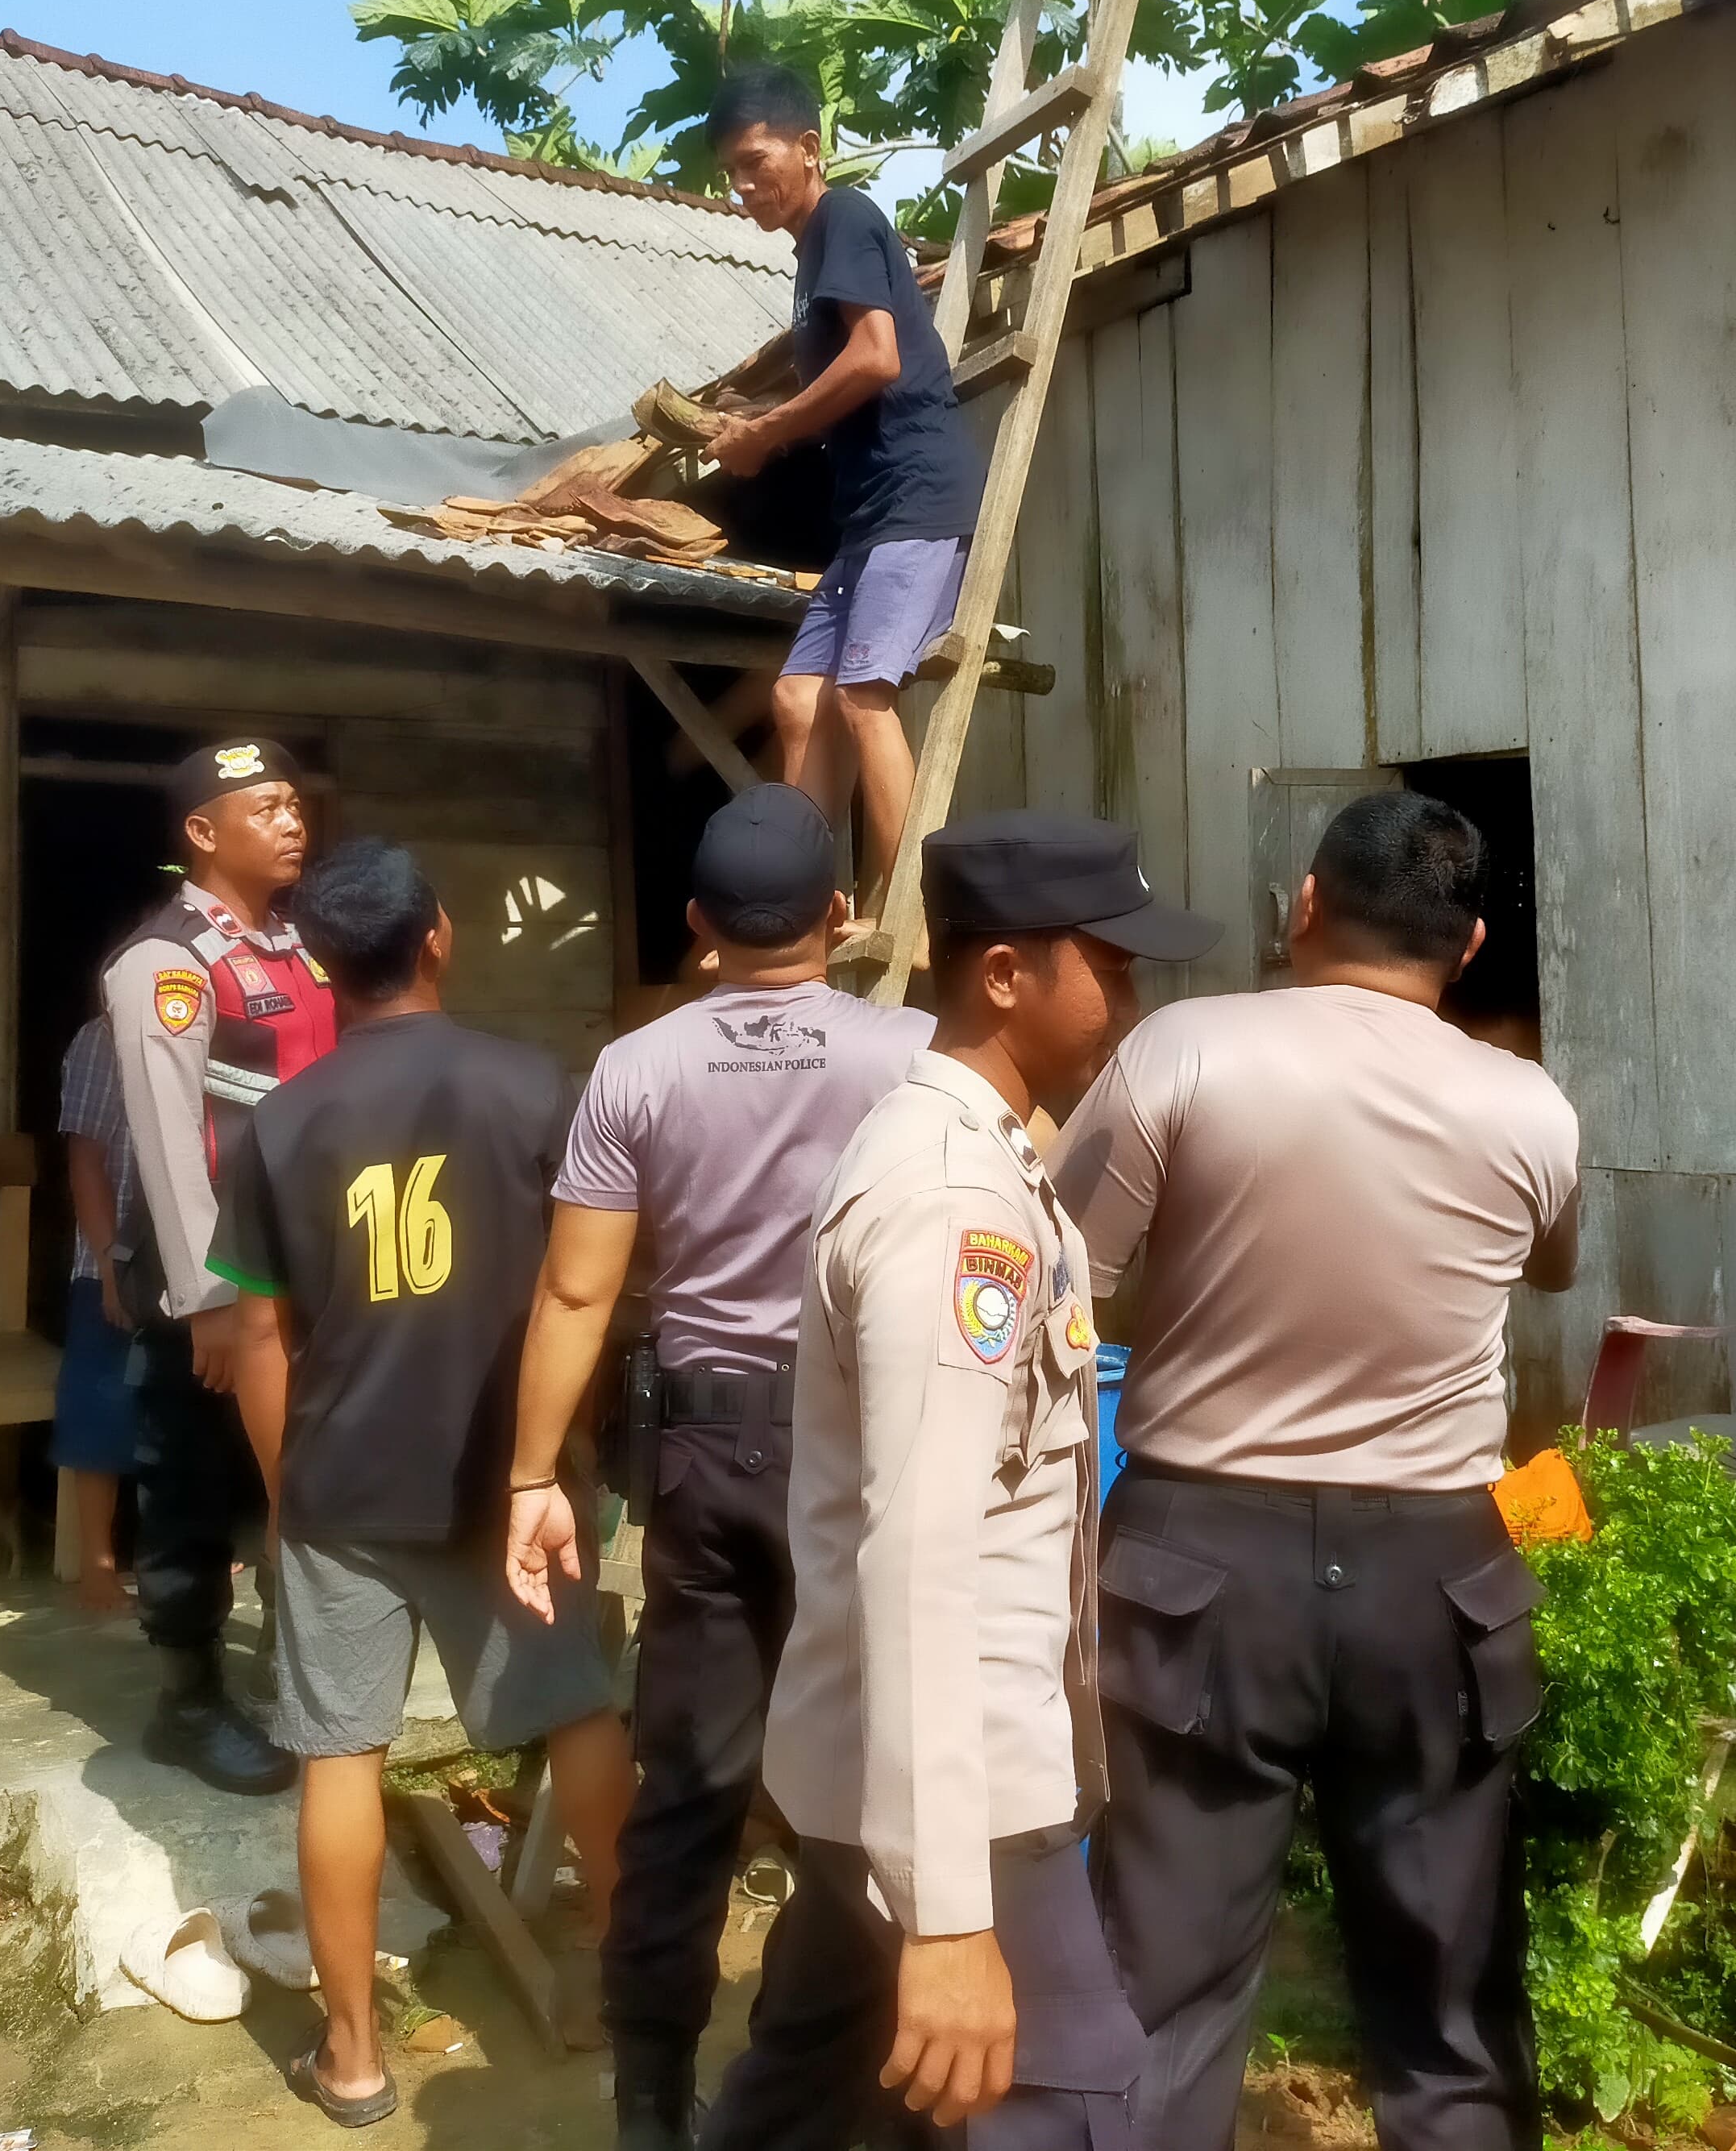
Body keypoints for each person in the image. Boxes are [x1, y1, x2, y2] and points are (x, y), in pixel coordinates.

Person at [1050, 791, 1583, 2151]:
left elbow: (1067, 1271)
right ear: (1467, 946)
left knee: (1163, 1975)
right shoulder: (1529, 1106)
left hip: (1201, 1568)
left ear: (1302, 905)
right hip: (1437, 1579)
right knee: (1450, 1997)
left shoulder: (1185, 1051)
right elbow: (1548, 1264)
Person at [697, 812, 1214, 2150]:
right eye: (1111, 967)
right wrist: (946, 1916)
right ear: (1002, 974)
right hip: (960, 1779)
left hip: (888, 1751)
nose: (1131, 1003)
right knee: (1073, 2100)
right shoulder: (953, 1202)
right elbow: (920, 1551)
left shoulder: (988, 1160)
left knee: (812, 2094)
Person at [500, 783, 932, 2151]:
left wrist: (531, 1478)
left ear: (697, 922)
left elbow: (577, 1293)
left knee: (688, 1781)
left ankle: (650, 2098)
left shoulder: (636, 1068)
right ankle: (864, 2075)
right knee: (882, 1766)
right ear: (841, 916)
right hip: (862, 1445)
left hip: (700, 1452)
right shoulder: (914, 1056)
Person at [209, 837, 633, 2130]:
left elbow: (260, 1339)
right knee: (578, 1713)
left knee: (341, 1757)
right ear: (439, 935)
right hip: (510, 1480)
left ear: (321, 968)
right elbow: (584, 1289)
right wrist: (562, 1459)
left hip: (345, 1486)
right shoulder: (536, 1089)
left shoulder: (279, 1126)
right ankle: (638, 1988)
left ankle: (351, 2059)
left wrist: (288, 1500)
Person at [101, 738, 334, 1795]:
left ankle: (305, 1665)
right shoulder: (166, 964)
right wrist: (206, 1302)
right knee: (191, 1481)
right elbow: (165, 1139)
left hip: (305, 1265)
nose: (292, 822)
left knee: (302, 1467)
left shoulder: (301, 948)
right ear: (202, 833)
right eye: (265, 808)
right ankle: (187, 1702)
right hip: (211, 1280)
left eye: (294, 804)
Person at [702, 63, 987, 895]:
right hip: (865, 522)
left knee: (863, 698)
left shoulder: (846, 217)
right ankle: (802, 905)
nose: (743, 185)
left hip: (916, 502)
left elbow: (876, 358)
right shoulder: (811, 257)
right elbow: (839, 388)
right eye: (731, 172)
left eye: (755, 162)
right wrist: (760, 419)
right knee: (798, 699)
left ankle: (911, 916)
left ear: (808, 147)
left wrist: (765, 432)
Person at [55, 1014, 141, 1615]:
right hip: (113, 1258)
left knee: (185, 1411)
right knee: (102, 1409)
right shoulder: (102, 1039)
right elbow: (85, 1158)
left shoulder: (213, 1024)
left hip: (194, 1259)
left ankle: (181, 1553)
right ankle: (97, 1568)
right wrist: (112, 1267)